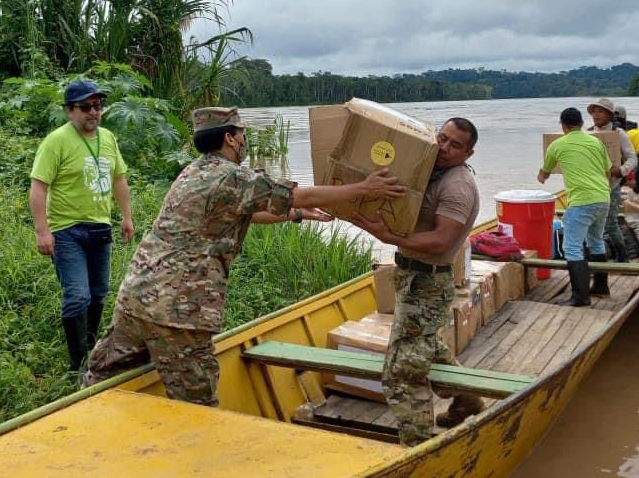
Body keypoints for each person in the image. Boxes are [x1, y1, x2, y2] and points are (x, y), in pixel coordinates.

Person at [84, 107, 404, 407]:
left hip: (136, 297)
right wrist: (365, 188)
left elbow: (244, 212)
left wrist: (295, 215)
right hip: (179, 310)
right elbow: (298, 192)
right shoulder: (231, 176)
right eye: (242, 133)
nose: (244, 140)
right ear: (230, 138)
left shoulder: (193, 172)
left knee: (102, 379)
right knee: (196, 403)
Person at [352, 118, 482, 447]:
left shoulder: (457, 185)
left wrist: (387, 235)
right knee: (427, 345)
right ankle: (468, 400)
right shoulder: (429, 171)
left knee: (402, 374)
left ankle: (418, 445)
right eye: (442, 138)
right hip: (411, 278)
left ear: (469, 152)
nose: (445, 147)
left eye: (456, 145)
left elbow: (440, 241)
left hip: (427, 284)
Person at [29, 79, 135, 370]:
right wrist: (42, 231)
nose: (93, 112)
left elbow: (118, 179)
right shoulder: (56, 141)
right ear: (69, 111)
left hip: (100, 227)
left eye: (97, 106)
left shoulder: (108, 138)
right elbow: (38, 187)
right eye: (85, 107)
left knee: (99, 291)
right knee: (78, 295)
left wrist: (126, 216)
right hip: (66, 230)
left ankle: (89, 348)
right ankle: (78, 365)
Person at [538, 108, 611, 307]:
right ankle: (601, 288)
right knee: (596, 241)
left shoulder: (557, 145)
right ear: (580, 123)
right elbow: (607, 169)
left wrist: (542, 176)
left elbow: (546, 171)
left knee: (571, 247)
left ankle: (580, 297)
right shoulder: (596, 142)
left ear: (563, 125)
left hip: (581, 201)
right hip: (603, 198)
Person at [585, 98, 637, 271]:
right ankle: (597, 260)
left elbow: (632, 158)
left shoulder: (619, 133)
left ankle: (623, 257)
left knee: (610, 223)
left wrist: (621, 170)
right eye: (594, 112)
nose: (596, 115)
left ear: (609, 114)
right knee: (591, 223)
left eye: (600, 111)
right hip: (591, 186)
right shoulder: (588, 133)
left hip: (611, 185)